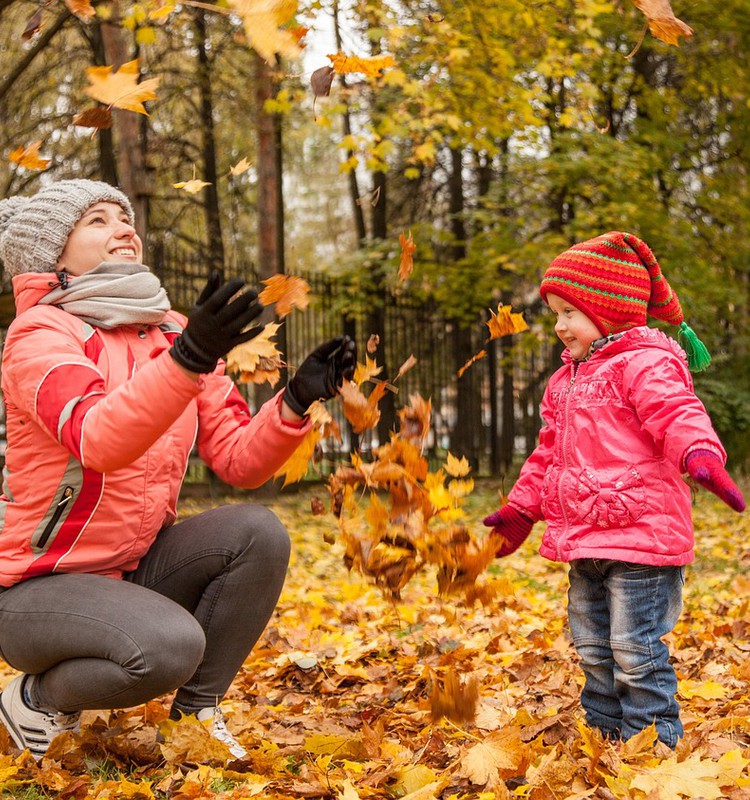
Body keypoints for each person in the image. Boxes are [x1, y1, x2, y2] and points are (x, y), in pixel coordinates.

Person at [0, 179, 356, 761]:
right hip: (39, 588)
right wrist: (187, 359)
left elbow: (239, 461)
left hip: (132, 569)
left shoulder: (168, 328)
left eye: (125, 216)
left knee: (257, 532)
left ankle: (195, 719)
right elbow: (96, 435)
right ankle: (36, 698)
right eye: (97, 220)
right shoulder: (40, 334)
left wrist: (295, 399)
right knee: (166, 647)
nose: (123, 228)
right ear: (53, 257)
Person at [483, 231, 745, 749]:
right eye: (555, 312)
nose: (558, 326)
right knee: (593, 648)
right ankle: (601, 741)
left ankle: (652, 749)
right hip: (586, 539)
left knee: (634, 650)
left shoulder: (646, 363)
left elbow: (676, 414)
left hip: (642, 542)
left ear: (608, 309)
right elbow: (547, 453)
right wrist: (521, 508)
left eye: (568, 312)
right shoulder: (566, 381)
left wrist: (701, 456)